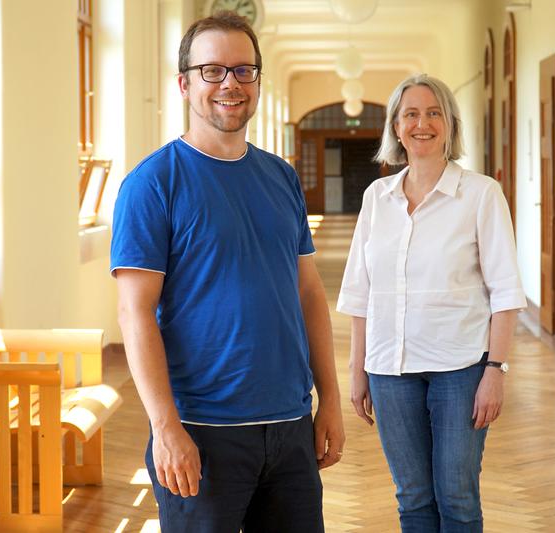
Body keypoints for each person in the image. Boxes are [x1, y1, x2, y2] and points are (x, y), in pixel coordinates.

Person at [110, 12, 344, 533]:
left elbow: (308, 294)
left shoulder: (281, 177)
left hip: (289, 427)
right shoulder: (153, 184)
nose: (230, 84)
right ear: (184, 83)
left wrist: (328, 398)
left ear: (257, 80)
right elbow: (134, 313)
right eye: (213, 70)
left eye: (243, 70)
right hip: (202, 430)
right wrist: (165, 427)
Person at [337, 73, 526, 533]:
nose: (423, 124)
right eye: (411, 115)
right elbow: (361, 292)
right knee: (413, 499)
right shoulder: (376, 199)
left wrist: (495, 372)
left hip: (460, 369)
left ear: (449, 124)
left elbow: (505, 292)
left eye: (433, 112)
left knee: (458, 498)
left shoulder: (480, 194)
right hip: (389, 370)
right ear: (396, 128)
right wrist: (357, 369)